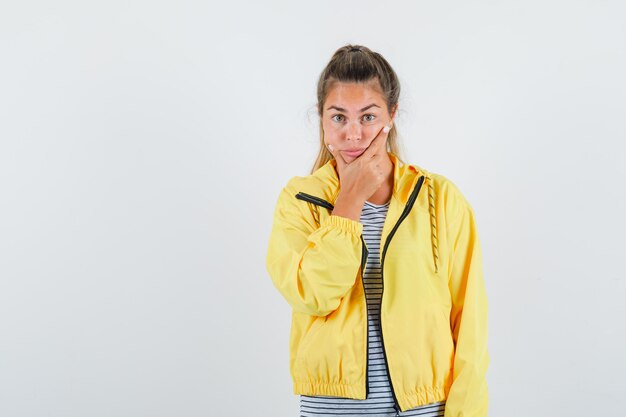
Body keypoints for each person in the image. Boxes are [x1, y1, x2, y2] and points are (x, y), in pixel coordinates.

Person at [265, 44, 490, 417]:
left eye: (368, 117)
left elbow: (471, 326)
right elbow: (313, 295)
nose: (354, 134)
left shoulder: (441, 199)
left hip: (425, 408)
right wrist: (349, 202)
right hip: (332, 409)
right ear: (321, 119)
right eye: (339, 118)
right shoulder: (299, 200)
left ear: (392, 115)